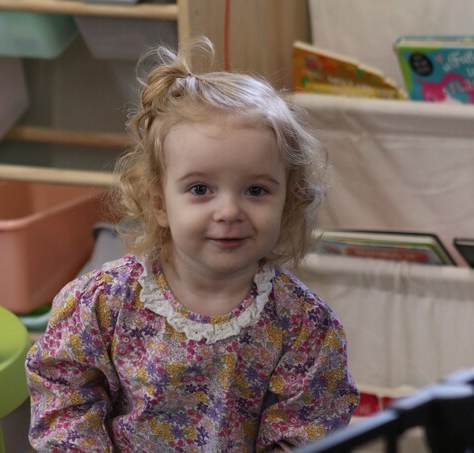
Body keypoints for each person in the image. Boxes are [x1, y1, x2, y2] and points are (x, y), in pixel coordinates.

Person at [25, 37, 359, 452]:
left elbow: (306, 430)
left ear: (288, 202)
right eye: (201, 189)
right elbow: (64, 391)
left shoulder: (302, 325)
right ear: (159, 203)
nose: (229, 211)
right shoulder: (105, 301)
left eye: (256, 190)